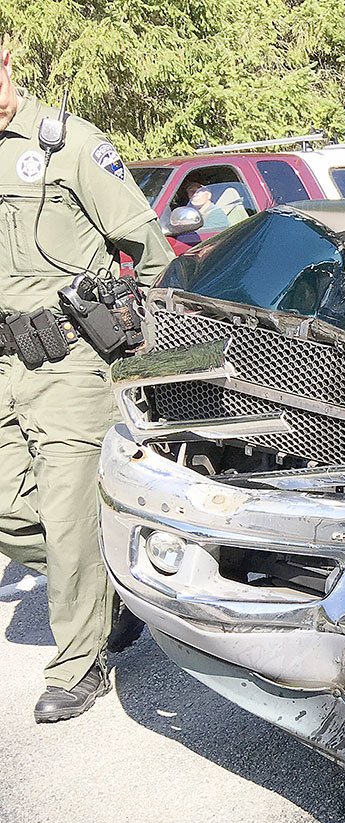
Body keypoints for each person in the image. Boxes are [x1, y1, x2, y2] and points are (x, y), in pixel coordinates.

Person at [0, 42, 173, 723]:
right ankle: (113, 589)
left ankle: (80, 666)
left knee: (69, 516)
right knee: (13, 512)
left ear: (4, 55)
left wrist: (155, 365)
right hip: (3, 360)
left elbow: (151, 252)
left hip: (70, 358)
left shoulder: (72, 146)